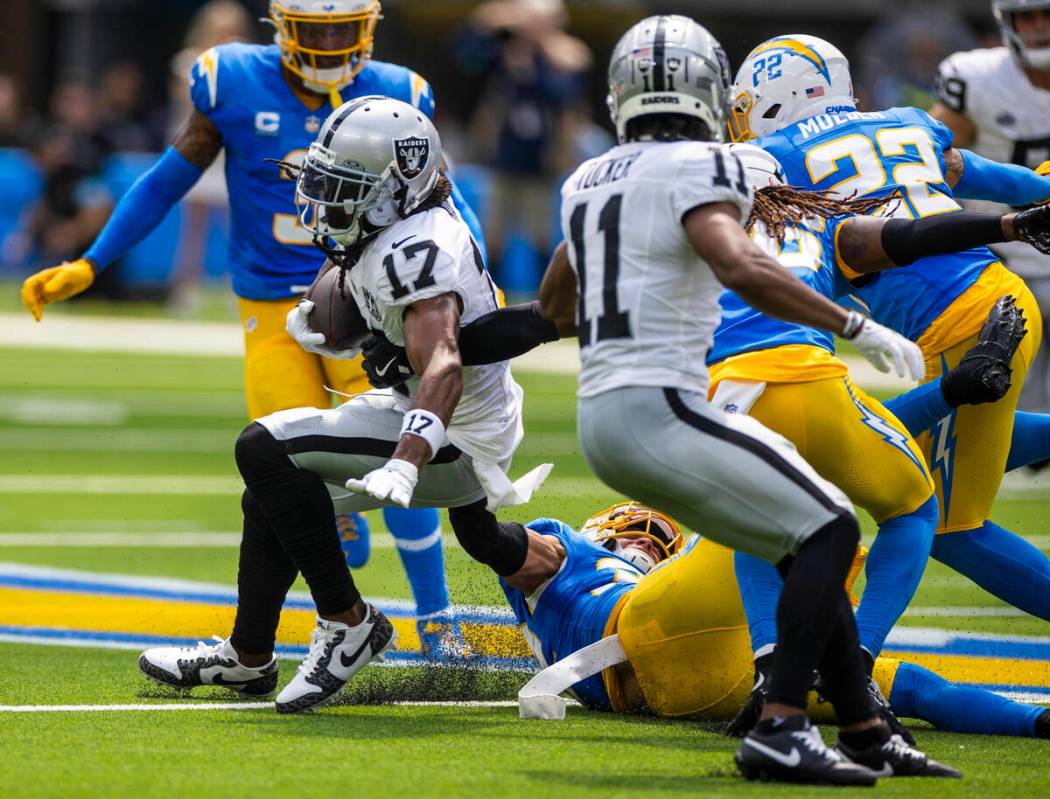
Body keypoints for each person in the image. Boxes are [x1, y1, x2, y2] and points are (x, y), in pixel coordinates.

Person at [541, 15, 957, 785]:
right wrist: (852, 324)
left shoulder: (587, 179)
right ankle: (781, 726)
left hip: (602, 419)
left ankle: (865, 728)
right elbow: (738, 265)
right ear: (707, 87)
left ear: (619, 94)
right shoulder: (706, 164)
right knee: (831, 526)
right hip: (667, 408)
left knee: (797, 536)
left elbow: (554, 307)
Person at [19, 1, 480, 654]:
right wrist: (94, 261)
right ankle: (346, 621)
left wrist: (473, 287)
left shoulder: (395, 92)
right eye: (312, 29)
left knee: (400, 448)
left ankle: (437, 619)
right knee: (288, 464)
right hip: (269, 308)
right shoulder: (232, 81)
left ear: (368, 31)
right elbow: (164, 181)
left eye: (340, 32)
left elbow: (447, 201)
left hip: (371, 297)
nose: (325, 43)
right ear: (281, 28)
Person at [138, 97, 550, 714]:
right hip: (434, 412)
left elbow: (444, 362)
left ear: (397, 187)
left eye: (346, 187)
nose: (327, 202)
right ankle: (248, 659)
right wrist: (362, 333)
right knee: (271, 492)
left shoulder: (417, 250)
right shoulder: (395, 227)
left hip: (453, 438)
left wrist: (408, 458)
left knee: (263, 447)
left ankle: (348, 622)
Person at [730, 33, 1050, 654]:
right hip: (997, 303)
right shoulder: (908, 122)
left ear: (772, 96)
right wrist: (1043, 187)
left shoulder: (774, 156)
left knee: (950, 524)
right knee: (922, 457)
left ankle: (852, 655)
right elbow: (979, 175)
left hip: (968, 327)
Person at [710, 143, 1045, 729]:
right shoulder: (818, 220)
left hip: (719, 403)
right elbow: (912, 236)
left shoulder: (681, 238)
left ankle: (773, 667)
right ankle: (855, 663)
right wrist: (1008, 224)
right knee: (917, 509)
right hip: (808, 384)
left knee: (760, 520)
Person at [501, 502, 1050, 739]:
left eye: (658, 540)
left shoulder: (568, 592)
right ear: (598, 533)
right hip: (652, 624)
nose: (649, 542)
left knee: (917, 688)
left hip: (707, 681)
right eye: (635, 533)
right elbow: (503, 545)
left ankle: (1036, 722)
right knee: (764, 503)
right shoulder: (562, 555)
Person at [930, 0, 1050, 469]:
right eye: (1028, 17)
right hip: (1006, 251)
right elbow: (933, 156)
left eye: (1047, 15)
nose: (1039, 27)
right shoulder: (977, 79)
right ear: (1009, 23)